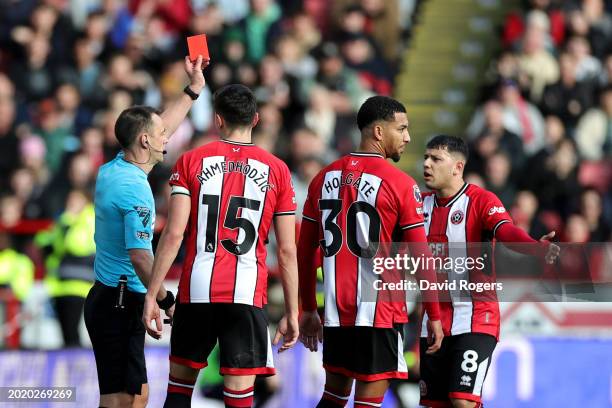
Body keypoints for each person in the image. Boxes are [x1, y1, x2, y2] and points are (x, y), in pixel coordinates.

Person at [142, 83, 299, 408]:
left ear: (217, 120)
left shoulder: (191, 161)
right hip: (246, 292)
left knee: (178, 393)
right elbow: (286, 250)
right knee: (239, 397)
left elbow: (174, 234)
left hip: (197, 288)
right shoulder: (278, 171)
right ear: (255, 119)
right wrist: (293, 311)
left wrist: (151, 295)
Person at [297, 95, 444, 408]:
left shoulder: (323, 178)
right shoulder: (401, 184)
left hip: (337, 312)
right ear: (378, 132)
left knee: (334, 397)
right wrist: (434, 313)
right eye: (401, 128)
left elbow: (304, 250)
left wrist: (308, 307)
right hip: (380, 312)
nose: (408, 137)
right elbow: (421, 256)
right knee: (369, 402)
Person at [84, 55, 208, 408]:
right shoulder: (134, 189)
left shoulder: (116, 166)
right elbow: (140, 256)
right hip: (120, 300)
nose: (167, 137)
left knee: (135, 396)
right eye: (160, 135)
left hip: (114, 297)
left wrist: (193, 90)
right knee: (125, 399)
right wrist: (165, 300)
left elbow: (160, 123)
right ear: (144, 141)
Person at [419, 135, 560, 408]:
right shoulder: (418, 206)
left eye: (436, 159)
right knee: (434, 405)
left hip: (476, 317)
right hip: (434, 321)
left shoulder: (481, 200)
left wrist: (534, 247)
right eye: (425, 157)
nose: (426, 164)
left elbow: (506, 230)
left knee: (462, 400)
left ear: (457, 167)